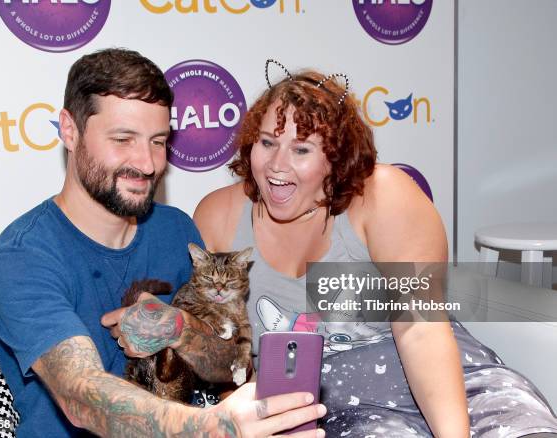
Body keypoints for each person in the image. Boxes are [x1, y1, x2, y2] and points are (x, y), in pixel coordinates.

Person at [193, 66, 557, 437]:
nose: (275, 165)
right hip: (337, 412)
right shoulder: (219, 218)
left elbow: (421, 332)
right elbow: (214, 357)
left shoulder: (384, 196)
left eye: (301, 149)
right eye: (267, 142)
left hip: (457, 392)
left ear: (336, 158)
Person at [0, 48, 326, 437]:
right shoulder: (24, 255)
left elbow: (229, 365)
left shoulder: (175, 229)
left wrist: (183, 329)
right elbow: (81, 394)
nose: (147, 163)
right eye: (123, 138)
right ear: (69, 130)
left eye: (158, 141)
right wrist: (212, 428)